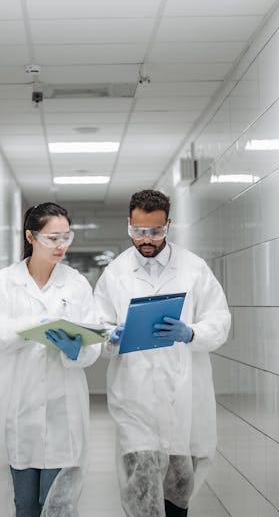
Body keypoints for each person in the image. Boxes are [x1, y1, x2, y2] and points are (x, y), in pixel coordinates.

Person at [95, 190, 231, 517]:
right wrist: (110, 336)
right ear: (129, 224)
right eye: (138, 230)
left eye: (155, 231)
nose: (146, 239)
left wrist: (192, 332)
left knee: (179, 490)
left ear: (168, 224)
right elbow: (97, 326)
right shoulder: (115, 273)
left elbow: (220, 319)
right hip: (135, 397)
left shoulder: (194, 269)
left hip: (185, 397)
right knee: (141, 488)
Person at [0, 202, 100, 517]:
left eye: (66, 237)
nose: (61, 246)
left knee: (57, 505)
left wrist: (74, 350)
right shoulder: (4, 281)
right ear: (30, 236)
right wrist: (34, 329)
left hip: (63, 407)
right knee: (25, 506)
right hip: (20, 404)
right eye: (52, 238)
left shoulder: (76, 283)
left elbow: (92, 345)